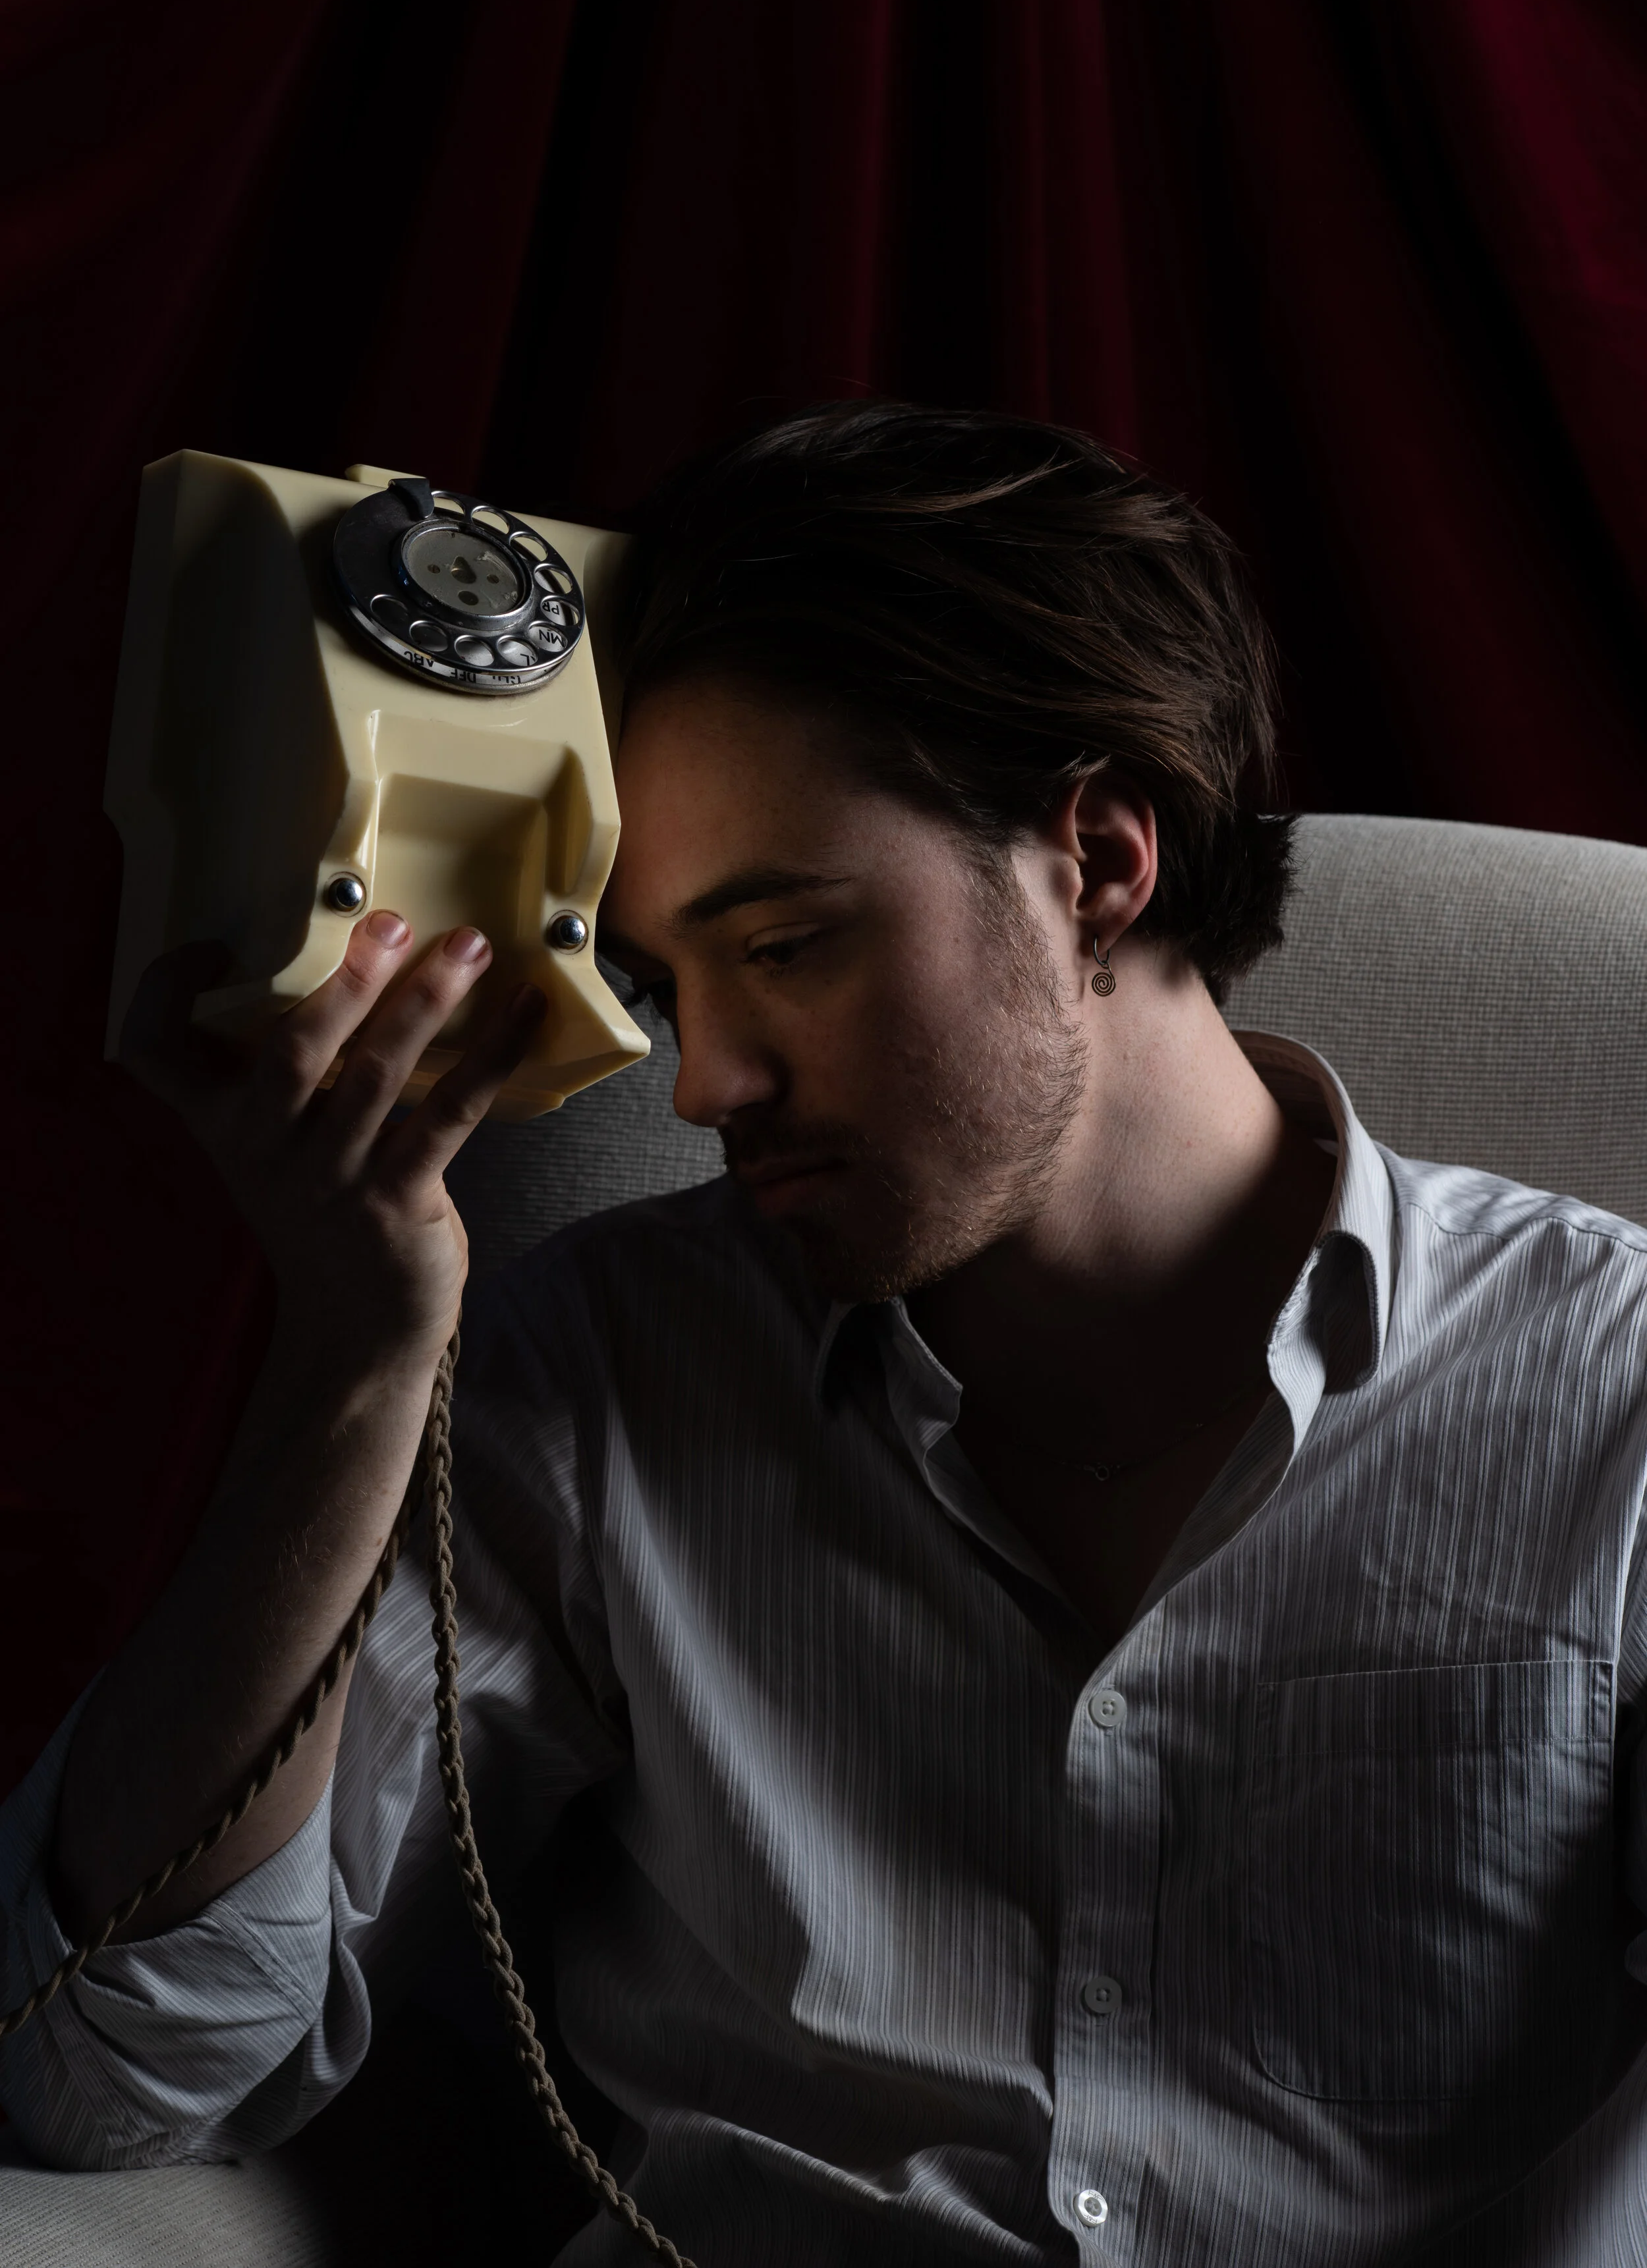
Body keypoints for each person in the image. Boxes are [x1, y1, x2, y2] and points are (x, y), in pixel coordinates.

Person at [4, 402, 1647, 2266]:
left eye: (781, 947)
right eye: (659, 980)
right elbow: (103, 2081)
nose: (700, 1081)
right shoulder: (596, 1376)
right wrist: (359, 1346)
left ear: (1098, 859)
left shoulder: (1618, 1401)